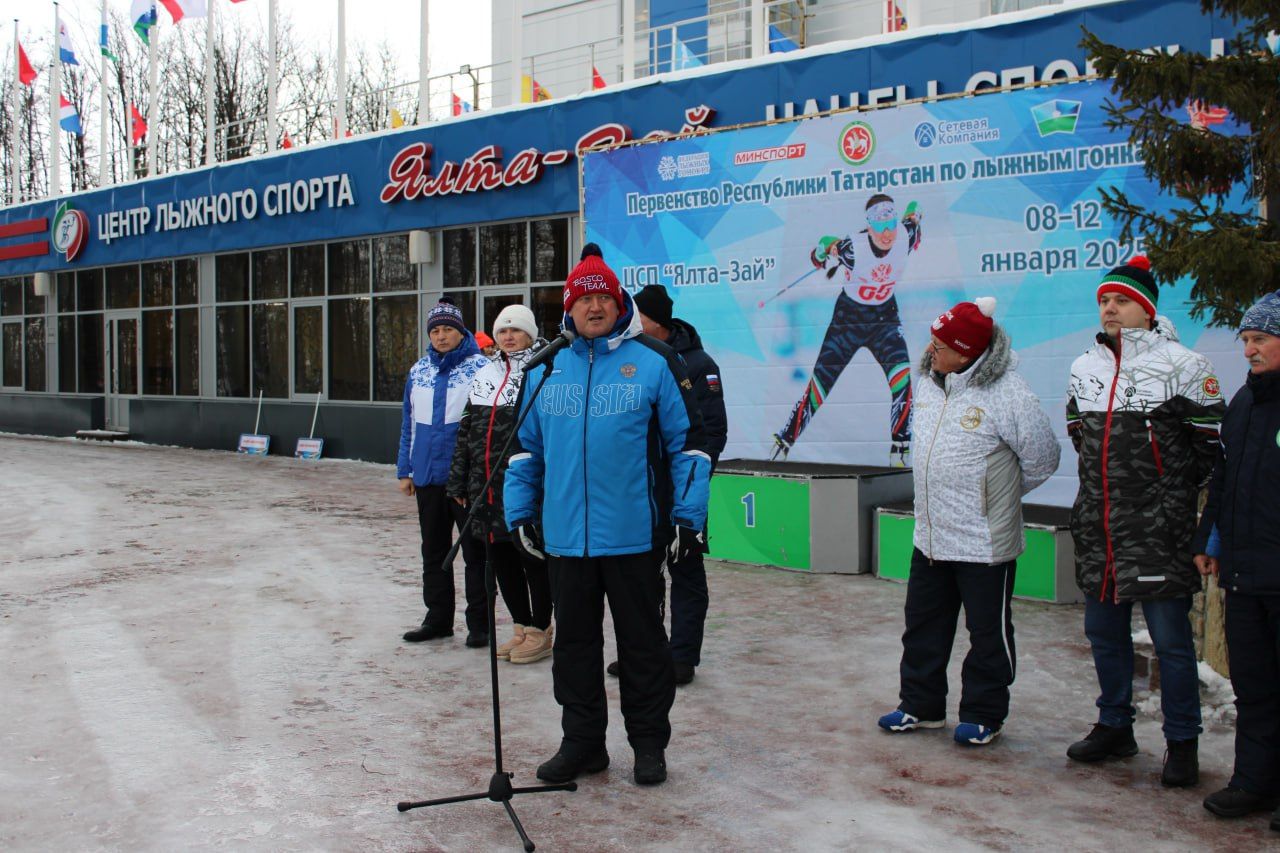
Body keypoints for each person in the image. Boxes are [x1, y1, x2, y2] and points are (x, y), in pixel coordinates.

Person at [504, 244, 711, 787]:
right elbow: (526, 449)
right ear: (568, 309)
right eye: (583, 298)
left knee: (643, 647)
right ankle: (583, 744)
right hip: (567, 539)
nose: (593, 307)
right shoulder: (546, 368)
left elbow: (687, 446)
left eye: (603, 297)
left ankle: (647, 746)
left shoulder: (655, 362)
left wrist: (689, 520)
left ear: (619, 304)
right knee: (574, 647)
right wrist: (521, 512)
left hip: (635, 537)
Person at [1064, 256, 1225, 786]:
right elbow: (1078, 434)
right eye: (1104, 300)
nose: (1110, 308)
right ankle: (1115, 726)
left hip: (1159, 530)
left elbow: (1209, 448)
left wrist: (1166, 492)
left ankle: (1182, 742)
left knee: (1170, 644)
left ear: (1147, 310)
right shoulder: (1084, 366)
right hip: (1100, 527)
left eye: (1122, 300)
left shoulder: (1185, 365)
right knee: (1104, 636)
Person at [877, 297, 1059, 745]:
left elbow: (1043, 457)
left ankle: (985, 713)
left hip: (984, 541)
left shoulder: (1007, 392)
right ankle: (920, 705)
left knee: (987, 634)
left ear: (967, 350)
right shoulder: (928, 382)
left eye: (940, 344)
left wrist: (995, 498)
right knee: (923, 626)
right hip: (931, 536)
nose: (930, 349)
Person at [608, 283, 727, 687]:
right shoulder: (633, 358)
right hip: (643, 495)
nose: (631, 324)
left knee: (686, 571)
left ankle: (681, 657)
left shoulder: (698, 364)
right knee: (642, 576)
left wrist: (688, 490)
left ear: (656, 322)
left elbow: (711, 434)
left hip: (682, 492)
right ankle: (645, 651)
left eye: (639, 316)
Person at [1195, 290, 1280, 830]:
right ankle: (1255, 782)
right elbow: (1225, 480)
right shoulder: (1244, 403)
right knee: (1255, 686)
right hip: (1247, 575)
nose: (1249, 349)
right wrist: (1211, 540)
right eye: (1245, 339)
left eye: (1261, 339)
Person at [772, 193, 921, 467]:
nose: (887, 234)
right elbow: (828, 244)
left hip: (884, 320)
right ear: (869, 227)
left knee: (902, 380)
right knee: (820, 387)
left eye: (890, 225)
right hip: (848, 320)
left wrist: (913, 213)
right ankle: (784, 441)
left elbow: (912, 215)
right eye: (879, 227)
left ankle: (900, 449)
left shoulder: (906, 235)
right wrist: (819, 253)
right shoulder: (854, 248)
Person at [447, 304, 554, 665]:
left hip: (523, 485)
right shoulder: (485, 373)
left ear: (530, 333)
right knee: (501, 559)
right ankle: (521, 627)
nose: (508, 337)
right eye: (503, 331)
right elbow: (466, 432)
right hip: (485, 486)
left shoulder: (543, 370)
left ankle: (542, 629)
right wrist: (459, 481)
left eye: (516, 330)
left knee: (531, 558)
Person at [397, 297, 491, 646]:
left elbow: (485, 427)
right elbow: (409, 423)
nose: (440, 335)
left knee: (475, 554)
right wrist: (404, 469)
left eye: (447, 329)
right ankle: (437, 619)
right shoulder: (418, 370)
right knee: (433, 551)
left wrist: (482, 475)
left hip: (466, 480)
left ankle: (480, 625)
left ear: (460, 331)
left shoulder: (481, 368)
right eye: (435, 330)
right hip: (427, 476)